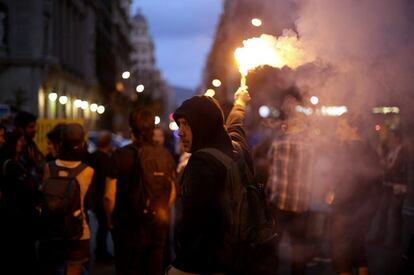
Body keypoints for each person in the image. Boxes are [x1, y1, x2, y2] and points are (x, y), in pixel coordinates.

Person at [167, 88, 253, 275]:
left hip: (207, 265)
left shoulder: (201, 164)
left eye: (186, 125)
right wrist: (240, 103)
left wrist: (179, 267)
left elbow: (192, 229)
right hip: (239, 257)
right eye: (179, 124)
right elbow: (235, 126)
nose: (180, 132)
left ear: (203, 125)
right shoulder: (237, 150)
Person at [104, 108, 176, 275]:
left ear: (131, 129)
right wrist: (161, 209)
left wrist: (110, 219)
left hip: (127, 225)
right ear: (153, 129)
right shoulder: (165, 155)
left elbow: (109, 196)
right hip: (157, 225)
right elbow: (172, 191)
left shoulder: (120, 155)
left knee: (127, 267)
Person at [266, 93, 313, 275]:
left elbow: (268, 162)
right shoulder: (309, 145)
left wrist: (278, 130)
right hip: (301, 204)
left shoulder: (278, 143)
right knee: (298, 249)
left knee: (272, 246)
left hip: (279, 202)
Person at [38, 123, 94, 275]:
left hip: (52, 228)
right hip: (78, 231)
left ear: (61, 143)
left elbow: (43, 193)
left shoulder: (49, 167)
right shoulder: (88, 171)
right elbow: (89, 202)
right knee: (74, 268)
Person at [329, 115, 381, 275]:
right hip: (365, 210)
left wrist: (334, 196)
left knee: (342, 258)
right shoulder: (371, 150)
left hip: (346, 210)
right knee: (359, 252)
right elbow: (377, 183)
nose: (337, 131)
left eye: (341, 127)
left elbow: (347, 181)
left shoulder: (345, 149)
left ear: (354, 129)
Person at [0, 129, 41, 275]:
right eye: (20, 141)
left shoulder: (20, 162)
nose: (22, 144)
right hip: (16, 218)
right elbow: (23, 190)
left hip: (21, 217)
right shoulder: (10, 165)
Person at [89, 130, 113, 261]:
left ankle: (100, 250)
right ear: (108, 143)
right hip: (102, 196)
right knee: (104, 225)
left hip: (94, 196)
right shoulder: (105, 159)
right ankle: (101, 251)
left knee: (101, 226)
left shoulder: (92, 157)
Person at [14, 111, 44, 185]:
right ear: (21, 129)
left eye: (34, 126)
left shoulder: (31, 145)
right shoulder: (14, 148)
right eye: (31, 127)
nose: (35, 130)